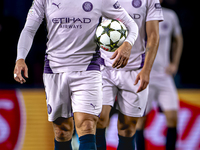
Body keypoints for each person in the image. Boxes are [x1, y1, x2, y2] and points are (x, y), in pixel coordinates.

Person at [13, 0, 139, 150]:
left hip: (88, 70)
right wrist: (20, 58)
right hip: (55, 71)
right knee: (62, 131)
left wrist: (128, 44)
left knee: (87, 126)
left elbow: (132, 26)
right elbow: (29, 29)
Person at [96, 0, 164, 149]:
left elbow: (153, 35)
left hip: (135, 71)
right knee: (98, 119)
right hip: (104, 68)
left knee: (127, 127)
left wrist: (146, 70)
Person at [135, 0, 183, 150]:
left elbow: (178, 39)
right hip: (142, 74)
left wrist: (174, 63)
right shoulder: (136, 14)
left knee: (173, 118)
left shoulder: (170, 16)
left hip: (163, 75)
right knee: (140, 121)